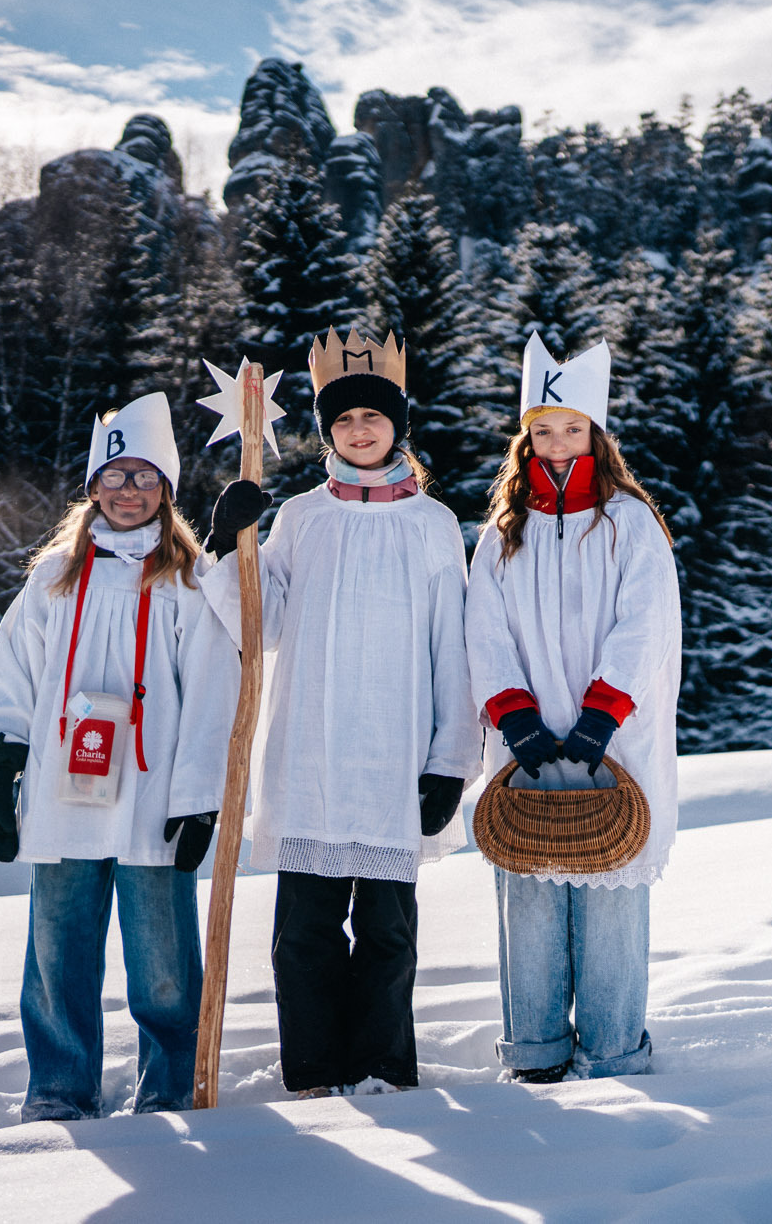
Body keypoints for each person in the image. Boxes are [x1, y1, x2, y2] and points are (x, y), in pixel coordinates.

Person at [202, 329, 478, 1098]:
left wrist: (450, 761)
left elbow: (453, 650)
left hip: (396, 751)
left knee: (387, 929)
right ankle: (315, 1069)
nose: (360, 430)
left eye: (373, 417)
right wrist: (229, 546)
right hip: (312, 751)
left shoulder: (432, 524)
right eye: (344, 419)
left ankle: (383, 1065)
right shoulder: (301, 518)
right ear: (327, 431)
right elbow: (264, 624)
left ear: (398, 427)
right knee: (306, 930)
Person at [0, 392, 235, 1122]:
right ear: (93, 487)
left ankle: (170, 1083)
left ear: (166, 489)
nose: (128, 491)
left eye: (144, 477)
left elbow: (213, 688)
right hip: (65, 791)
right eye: (114, 477)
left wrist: (199, 796)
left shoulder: (188, 579)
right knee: (58, 952)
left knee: (164, 964)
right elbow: (13, 672)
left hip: (152, 794)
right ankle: (60, 1083)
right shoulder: (55, 575)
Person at [465, 333, 682, 1083]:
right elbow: (483, 628)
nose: (558, 444)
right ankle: (535, 1051)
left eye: (573, 428)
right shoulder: (503, 533)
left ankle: (615, 1050)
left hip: (611, 742)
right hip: (527, 743)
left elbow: (644, 624)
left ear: (597, 434)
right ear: (526, 438)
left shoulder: (629, 522)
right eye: (544, 429)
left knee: (611, 896)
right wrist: (512, 712)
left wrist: (602, 713)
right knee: (529, 892)